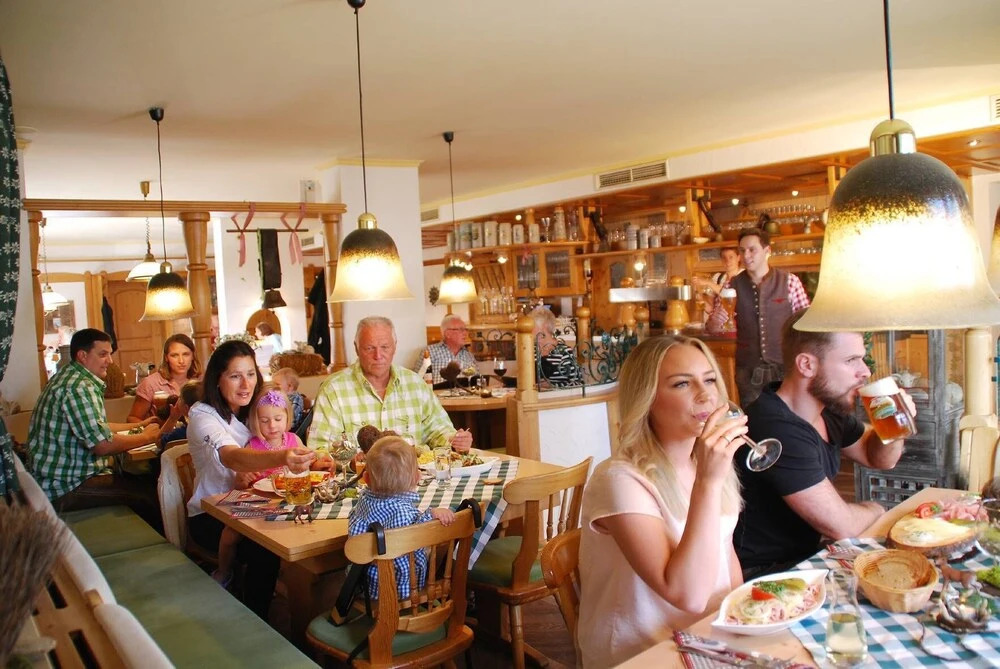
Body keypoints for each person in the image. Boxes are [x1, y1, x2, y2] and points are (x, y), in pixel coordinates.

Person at [577, 335, 746, 668]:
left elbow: (726, 558)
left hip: (707, 641)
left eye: (710, 379)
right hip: (644, 655)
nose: (706, 394)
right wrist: (708, 484)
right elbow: (687, 595)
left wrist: (743, 623)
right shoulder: (619, 479)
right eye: (682, 383)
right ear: (647, 399)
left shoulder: (704, 465)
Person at [734, 309, 913, 579]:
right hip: (764, 575)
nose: (865, 372)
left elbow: (878, 458)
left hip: (806, 556)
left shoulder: (827, 410)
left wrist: (896, 427)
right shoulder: (775, 427)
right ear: (807, 365)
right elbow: (842, 526)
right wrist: (877, 509)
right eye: (851, 360)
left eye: (862, 359)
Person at [186, 340, 315, 618]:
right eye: (235, 376)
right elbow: (232, 456)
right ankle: (256, 620)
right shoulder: (203, 417)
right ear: (217, 379)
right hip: (212, 514)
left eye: (250, 374)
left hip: (254, 504)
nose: (246, 384)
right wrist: (283, 457)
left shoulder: (251, 410)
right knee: (264, 548)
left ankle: (303, 607)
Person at [27, 329, 163, 530]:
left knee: (143, 479)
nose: (110, 361)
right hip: (65, 487)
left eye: (110, 354)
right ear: (83, 355)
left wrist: (138, 426)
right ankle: (163, 547)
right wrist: (147, 437)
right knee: (148, 495)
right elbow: (102, 445)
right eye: (103, 354)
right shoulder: (79, 387)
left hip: (58, 480)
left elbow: (97, 427)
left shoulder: (69, 377)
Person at [309, 316, 473, 452]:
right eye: (369, 348)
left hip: (416, 476)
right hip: (359, 479)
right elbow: (319, 448)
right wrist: (352, 461)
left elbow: (439, 430)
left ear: (395, 347)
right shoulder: (333, 389)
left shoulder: (415, 384)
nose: (378, 355)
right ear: (357, 348)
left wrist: (455, 439)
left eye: (385, 347)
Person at [212, 384, 305, 587]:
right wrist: (242, 479)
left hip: (287, 501)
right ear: (255, 421)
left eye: (278, 419)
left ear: (287, 417)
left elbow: (307, 464)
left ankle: (292, 577)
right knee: (231, 532)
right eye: (264, 421)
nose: (272, 426)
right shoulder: (252, 446)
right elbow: (239, 484)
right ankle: (224, 570)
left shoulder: (294, 440)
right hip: (258, 502)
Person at [706, 229, 810, 407]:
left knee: (790, 417)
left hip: (786, 368)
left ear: (767, 250)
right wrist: (717, 317)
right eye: (742, 250)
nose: (746, 256)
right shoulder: (732, 285)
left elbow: (806, 326)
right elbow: (713, 327)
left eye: (752, 250)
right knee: (754, 419)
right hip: (748, 370)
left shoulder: (789, 281)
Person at [348, 436, 456, 600]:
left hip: (367, 587)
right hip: (403, 591)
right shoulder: (405, 514)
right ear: (417, 477)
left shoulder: (363, 502)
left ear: (366, 478)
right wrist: (432, 513)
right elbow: (419, 534)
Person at [128, 334, 201, 424]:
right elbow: (132, 418)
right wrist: (152, 428)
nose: (181, 361)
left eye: (186, 354)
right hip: (162, 432)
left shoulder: (200, 381)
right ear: (166, 358)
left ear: (193, 356)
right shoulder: (151, 383)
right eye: (174, 355)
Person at [414, 314, 478, 385]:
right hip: (438, 391)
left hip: (466, 392)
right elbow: (416, 379)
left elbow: (477, 381)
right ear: (448, 334)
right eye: (461, 330)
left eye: (466, 329)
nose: (465, 333)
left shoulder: (469, 355)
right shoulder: (430, 352)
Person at [528, 307, 583, 388]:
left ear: (545, 326)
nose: (529, 329)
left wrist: (552, 386)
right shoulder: (531, 350)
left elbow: (579, 384)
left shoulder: (564, 352)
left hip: (557, 396)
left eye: (532, 326)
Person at [693, 246, 742, 323]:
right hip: (719, 325)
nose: (727, 261)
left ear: (738, 258)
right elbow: (711, 309)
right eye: (724, 258)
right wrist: (698, 296)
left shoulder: (743, 277)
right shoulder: (718, 278)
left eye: (731, 257)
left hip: (737, 323)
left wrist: (708, 283)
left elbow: (728, 295)